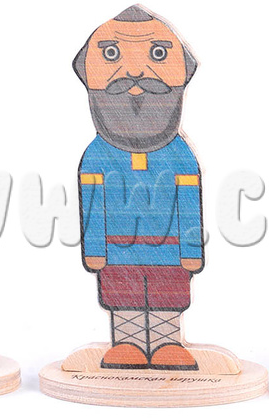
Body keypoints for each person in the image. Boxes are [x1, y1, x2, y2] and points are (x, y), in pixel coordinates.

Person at [73, 5, 203, 371]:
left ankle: (166, 343)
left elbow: (189, 203)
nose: (134, 71)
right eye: (112, 54)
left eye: (157, 53)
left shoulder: (180, 156)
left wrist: (191, 249)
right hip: (116, 252)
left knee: (167, 295)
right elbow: (91, 205)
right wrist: (94, 249)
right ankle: (127, 343)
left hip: (170, 251)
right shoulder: (96, 157)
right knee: (122, 294)